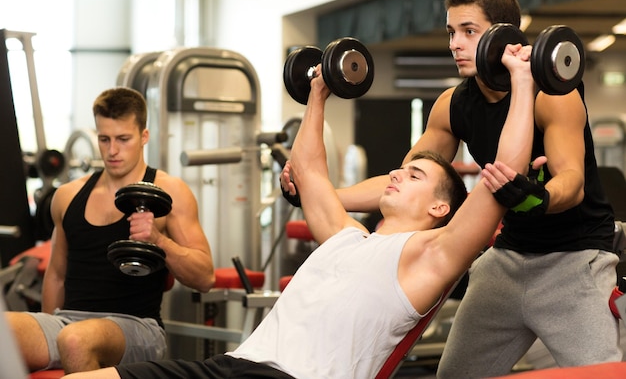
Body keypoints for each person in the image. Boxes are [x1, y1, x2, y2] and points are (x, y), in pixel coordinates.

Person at [62, 32, 536, 378]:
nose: (396, 172)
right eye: (401, 168)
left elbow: (506, 172)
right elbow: (310, 173)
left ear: (439, 209)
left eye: (414, 175)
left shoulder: (431, 256)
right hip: (233, 366)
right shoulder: (346, 237)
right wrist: (318, 93)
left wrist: (521, 79)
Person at [282, 0, 622, 378]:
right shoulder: (451, 105)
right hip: (507, 260)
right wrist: (317, 192)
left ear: (501, 37)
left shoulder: (552, 95)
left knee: (604, 375)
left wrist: (537, 197)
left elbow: (572, 182)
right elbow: (404, 180)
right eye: (451, 32)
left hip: (575, 259)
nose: (454, 44)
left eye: (468, 31)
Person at [5, 87, 215, 374]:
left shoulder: (170, 190)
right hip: (68, 323)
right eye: (104, 139)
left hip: (138, 327)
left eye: (123, 139)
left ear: (144, 137)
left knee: (75, 339)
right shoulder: (67, 196)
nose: (112, 150)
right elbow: (56, 275)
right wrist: (44, 334)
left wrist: (158, 239)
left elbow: (205, 277)